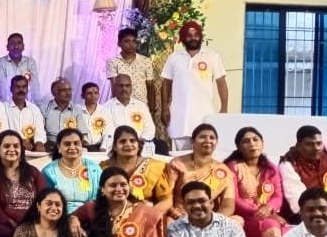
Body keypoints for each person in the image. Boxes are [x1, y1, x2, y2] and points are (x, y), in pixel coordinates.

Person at [224, 127, 289, 237]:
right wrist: (259, 211)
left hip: (268, 215)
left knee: (280, 230)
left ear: (262, 143)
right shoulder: (233, 167)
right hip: (245, 217)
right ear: (239, 147)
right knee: (270, 226)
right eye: (246, 141)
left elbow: (278, 196)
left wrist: (269, 209)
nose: (252, 144)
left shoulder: (271, 168)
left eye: (255, 140)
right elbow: (234, 198)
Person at [160, 21, 228, 151]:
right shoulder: (174, 58)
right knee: (181, 155)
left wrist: (224, 108)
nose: (193, 38)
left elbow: (221, 82)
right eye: (189, 35)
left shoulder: (213, 56)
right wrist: (164, 108)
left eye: (196, 35)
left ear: (201, 36)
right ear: (182, 38)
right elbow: (166, 84)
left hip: (203, 114)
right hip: (179, 116)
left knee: (204, 152)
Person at [0, 130, 48, 237]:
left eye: (16, 146)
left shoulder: (33, 172)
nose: (12, 149)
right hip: (7, 225)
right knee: (3, 233)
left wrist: (36, 222)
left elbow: (45, 198)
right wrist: (12, 224)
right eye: (7, 146)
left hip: (34, 221)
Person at [167, 123, 237, 220]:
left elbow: (228, 205)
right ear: (192, 141)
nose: (208, 140)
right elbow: (165, 196)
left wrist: (214, 220)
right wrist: (177, 215)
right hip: (180, 216)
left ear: (216, 143)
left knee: (237, 220)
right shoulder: (177, 164)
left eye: (212, 138)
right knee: (169, 222)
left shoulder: (223, 171)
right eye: (202, 137)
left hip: (209, 218)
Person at [279, 125, 327, 220]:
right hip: (305, 215)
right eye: (309, 144)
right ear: (298, 146)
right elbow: (298, 204)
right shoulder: (288, 165)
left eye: (319, 143)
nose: (316, 148)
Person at [102, 126, 173, 209]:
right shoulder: (103, 168)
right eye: (122, 141)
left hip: (148, 212)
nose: (128, 144)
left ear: (138, 145)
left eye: (132, 141)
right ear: (114, 147)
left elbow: (166, 200)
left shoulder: (154, 166)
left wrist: (151, 213)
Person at [41, 129, 103, 214]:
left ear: (82, 146)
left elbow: (99, 198)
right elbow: (45, 201)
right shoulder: (49, 171)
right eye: (67, 144)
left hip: (89, 215)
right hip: (58, 216)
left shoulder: (93, 169)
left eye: (76, 143)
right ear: (59, 148)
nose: (72, 147)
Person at [97, 74, 159, 154]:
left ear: (131, 87)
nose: (124, 89)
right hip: (117, 147)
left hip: (140, 145)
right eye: (120, 86)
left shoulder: (141, 106)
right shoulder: (106, 107)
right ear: (115, 87)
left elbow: (150, 128)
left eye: (127, 85)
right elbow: (107, 131)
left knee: (162, 146)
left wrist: (140, 141)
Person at [105, 28, 155, 111]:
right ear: (119, 43)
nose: (131, 44)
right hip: (122, 107)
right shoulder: (113, 61)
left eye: (134, 41)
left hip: (141, 107)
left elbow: (150, 86)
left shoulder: (145, 61)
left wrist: (152, 109)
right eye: (127, 41)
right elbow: (114, 87)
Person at [42, 78, 89, 150]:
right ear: (53, 93)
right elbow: (40, 132)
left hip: (71, 146)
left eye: (69, 90)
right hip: (50, 146)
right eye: (63, 90)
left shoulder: (77, 109)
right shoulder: (44, 109)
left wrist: (83, 142)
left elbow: (82, 132)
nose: (68, 93)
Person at [0, 32, 40, 103]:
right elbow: (2, 88)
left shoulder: (30, 62)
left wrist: (37, 106)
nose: (16, 47)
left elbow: (35, 87)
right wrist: (5, 107)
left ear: (23, 46)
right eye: (12, 43)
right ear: (7, 47)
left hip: (26, 105)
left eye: (19, 43)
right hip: (7, 105)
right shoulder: (0, 62)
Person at [7, 75, 47, 152]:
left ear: (27, 89)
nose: (21, 90)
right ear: (11, 89)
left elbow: (40, 131)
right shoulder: (4, 108)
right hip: (10, 147)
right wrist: (20, 141)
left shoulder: (34, 109)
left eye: (24, 87)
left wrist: (39, 143)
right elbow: (3, 131)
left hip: (30, 148)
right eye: (17, 87)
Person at [81, 82, 105, 147]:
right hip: (81, 147)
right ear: (83, 96)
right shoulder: (76, 111)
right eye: (89, 93)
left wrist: (104, 147)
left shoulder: (104, 111)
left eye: (96, 93)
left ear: (99, 94)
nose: (93, 96)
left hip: (100, 147)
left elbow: (108, 131)